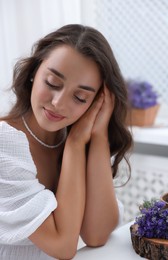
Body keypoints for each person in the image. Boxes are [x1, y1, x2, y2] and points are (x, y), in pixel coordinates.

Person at [0, 24, 132, 260]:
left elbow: (97, 234)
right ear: (33, 72)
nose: (59, 103)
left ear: (96, 103)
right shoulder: (4, 143)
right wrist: (75, 144)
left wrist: (97, 136)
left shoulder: (75, 138)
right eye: (52, 83)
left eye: (80, 97)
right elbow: (63, 246)